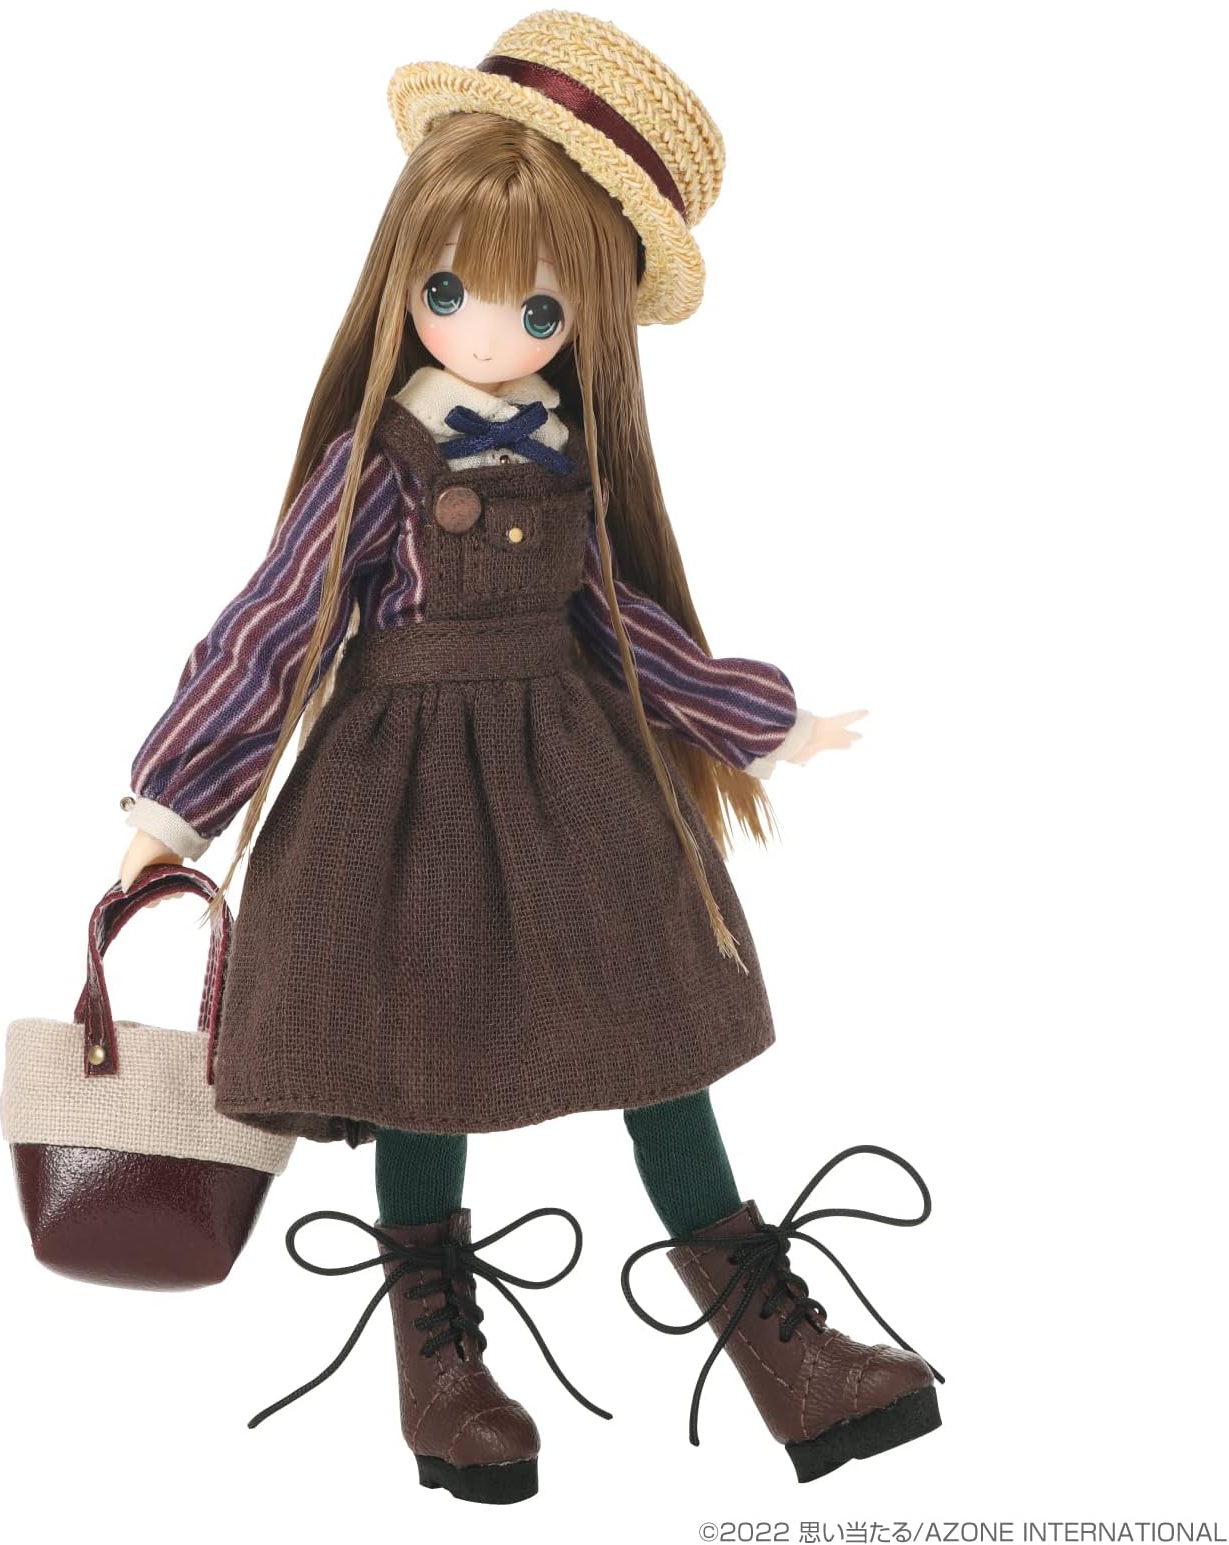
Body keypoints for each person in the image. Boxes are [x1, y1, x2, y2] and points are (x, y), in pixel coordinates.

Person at [115, 10, 941, 1504]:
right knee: (418, 1049)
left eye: (537, 308)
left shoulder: (563, 467)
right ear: (402, 283)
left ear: (589, 319)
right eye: (449, 293)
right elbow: (272, 627)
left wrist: (757, 716)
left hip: (580, 795)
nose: (489, 334)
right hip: (402, 803)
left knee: (657, 1026)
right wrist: (172, 804)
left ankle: (776, 1346)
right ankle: (437, 1359)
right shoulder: (380, 469)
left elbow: (622, 625)